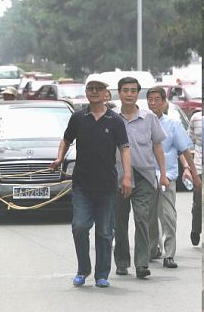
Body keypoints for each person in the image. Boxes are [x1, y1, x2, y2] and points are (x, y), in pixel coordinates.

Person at [50, 77, 132, 288]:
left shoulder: (115, 121)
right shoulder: (78, 118)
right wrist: (60, 157)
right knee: (79, 227)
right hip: (82, 185)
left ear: (106, 94)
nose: (94, 91)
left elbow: (124, 148)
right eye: (90, 88)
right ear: (86, 93)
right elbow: (66, 140)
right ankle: (83, 269)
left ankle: (102, 274)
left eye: (98, 89)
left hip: (107, 186)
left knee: (105, 232)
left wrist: (127, 177)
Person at [113, 77, 168, 279]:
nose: (129, 94)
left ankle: (142, 262)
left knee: (142, 218)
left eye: (133, 90)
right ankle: (121, 261)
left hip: (144, 176)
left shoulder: (149, 118)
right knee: (119, 221)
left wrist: (163, 174)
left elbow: (157, 146)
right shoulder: (112, 118)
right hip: (118, 177)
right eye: (125, 90)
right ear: (119, 93)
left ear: (138, 93)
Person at [146, 87, 201, 268]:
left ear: (164, 102)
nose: (153, 103)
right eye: (150, 100)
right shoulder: (142, 123)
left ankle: (169, 254)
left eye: (157, 100)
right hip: (146, 178)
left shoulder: (173, 124)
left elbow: (184, 150)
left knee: (168, 216)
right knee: (149, 217)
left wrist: (194, 174)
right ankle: (153, 248)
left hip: (167, 177)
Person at [188, 111, 202, 245]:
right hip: (199, 168)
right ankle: (196, 229)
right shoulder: (196, 118)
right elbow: (189, 140)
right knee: (198, 203)